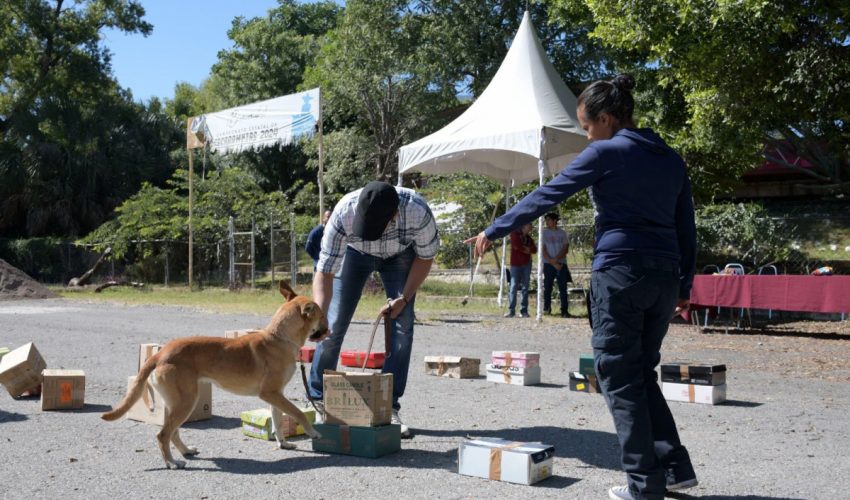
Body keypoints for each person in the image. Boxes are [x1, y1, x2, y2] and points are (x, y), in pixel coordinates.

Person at [466, 73, 698, 500]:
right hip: (665, 275)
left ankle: (644, 485)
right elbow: (687, 226)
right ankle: (674, 467)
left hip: (621, 272)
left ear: (607, 119)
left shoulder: (607, 152)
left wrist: (495, 229)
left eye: (587, 127)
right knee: (640, 372)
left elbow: (547, 195)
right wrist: (685, 282)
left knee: (618, 375)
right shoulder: (670, 157)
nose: (587, 135)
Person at [309, 181, 439, 439]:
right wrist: (319, 317)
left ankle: (387, 406)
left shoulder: (418, 212)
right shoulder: (343, 212)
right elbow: (324, 271)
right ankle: (318, 399)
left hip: (401, 254)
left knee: (402, 327)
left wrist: (403, 297)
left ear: (393, 216)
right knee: (333, 324)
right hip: (355, 255)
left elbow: (425, 258)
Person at [541, 212, 572, 317]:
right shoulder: (543, 233)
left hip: (561, 264)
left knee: (563, 288)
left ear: (555, 221)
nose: (547, 222)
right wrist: (552, 261)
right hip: (548, 264)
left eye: (549, 220)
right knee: (547, 287)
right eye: (546, 220)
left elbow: (565, 248)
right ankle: (547, 308)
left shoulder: (562, 233)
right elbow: (542, 249)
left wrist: (557, 259)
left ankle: (564, 310)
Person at [506, 223, 536, 318]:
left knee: (525, 287)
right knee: (513, 286)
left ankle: (524, 311)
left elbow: (534, 249)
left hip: (527, 264)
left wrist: (528, 250)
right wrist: (527, 250)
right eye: (529, 225)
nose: (531, 227)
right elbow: (516, 246)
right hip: (516, 264)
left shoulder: (528, 238)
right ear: (524, 226)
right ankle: (511, 310)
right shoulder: (515, 234)